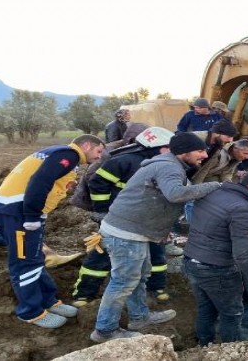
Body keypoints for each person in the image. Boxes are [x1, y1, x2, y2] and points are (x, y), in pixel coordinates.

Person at [90, 132, 221, 343]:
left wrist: (160, 229)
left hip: (135, 231)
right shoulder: (169, 166)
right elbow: (175, 194)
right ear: (184, 151)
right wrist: (215, 186)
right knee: (123, 282)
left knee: (139, 276)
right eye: (200, 151)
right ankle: (105, 330)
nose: (205, 155)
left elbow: (158, 201)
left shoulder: (169, 165)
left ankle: (139, 317)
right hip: (125, 234)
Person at [0, 135, 105, 329]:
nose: (99, 157)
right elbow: (40, 181)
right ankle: (30, 312)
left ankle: (48, 301)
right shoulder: (69, 154)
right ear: (86, 145)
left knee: (35, 258)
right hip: (19, 213)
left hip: (18, 211)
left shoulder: (59, 153)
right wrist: (32, 215)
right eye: (98, 151)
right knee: (25, 262)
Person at [71, 127, 175, 307]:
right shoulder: (124, 161)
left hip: (148, 219)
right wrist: (103, 210)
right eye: (169, 147)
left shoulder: (161, 164)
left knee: (156, 252)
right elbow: (97, 182)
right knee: (102, 253)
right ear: (159, 147)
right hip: (117, 219)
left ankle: (156, 288)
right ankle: (84, 293)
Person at [183, 167, 248, 346]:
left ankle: (205, 345)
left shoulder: (215, 192)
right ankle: (229, 351)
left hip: (191, 260)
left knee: (206, 310)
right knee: (232, 314)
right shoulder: (242, 209)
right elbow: (242, 253)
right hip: (216, 268)